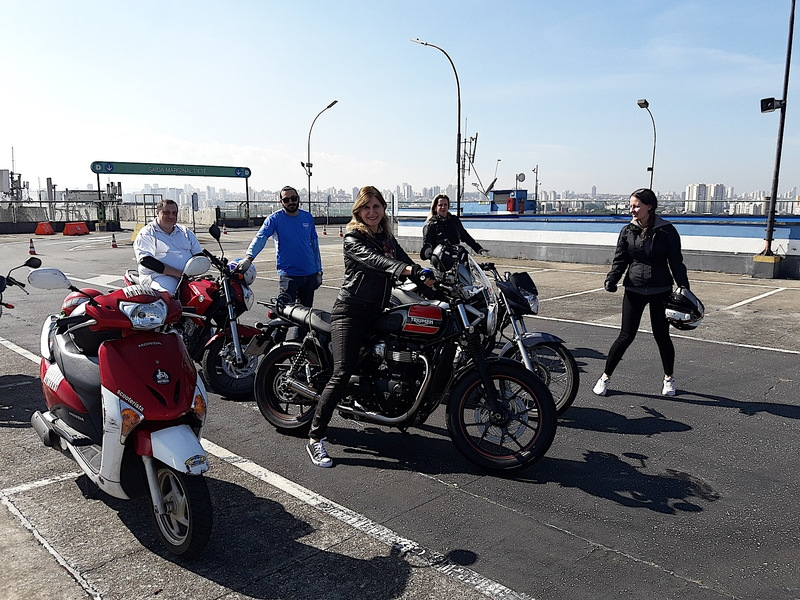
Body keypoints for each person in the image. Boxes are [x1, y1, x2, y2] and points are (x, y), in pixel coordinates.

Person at [306, 186, 433, 467]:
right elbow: (379, 262)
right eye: (367, 208)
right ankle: (316, 438)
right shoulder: (353, 237)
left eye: (377, 207)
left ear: (383, 209)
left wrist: (433, 282)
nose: (372, 212)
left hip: (378, 310)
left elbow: (405, 261)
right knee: (342, 372)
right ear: (358, 211)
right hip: (351, 312)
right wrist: (408, 270)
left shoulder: (386, 237)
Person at [593, 188, 691, 398]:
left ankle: (669, 379)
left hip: (661, 290)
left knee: (662, 336)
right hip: (634, 289)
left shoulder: (667, 231)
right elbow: (620, 259)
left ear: (649, 206)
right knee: (625, 336)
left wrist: (684, 288)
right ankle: (605, 377)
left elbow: (676, 262)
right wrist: (612, 278)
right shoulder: (628, 230)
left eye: (636, 206)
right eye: (631, 206)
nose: (632, 210)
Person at [238, 186, 322, 307]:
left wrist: (319, 271)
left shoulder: (307, 217)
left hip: (310, 274)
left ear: (298, 199)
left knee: (306, 317)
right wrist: (249, 258)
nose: (291, 202)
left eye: (293, 198)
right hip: (289, 275)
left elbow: (315, 245)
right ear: (281, 202)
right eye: (286, 200)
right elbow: (260, 238)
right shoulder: (274, 219)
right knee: (286, 316)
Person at [133, 199, 203, 295]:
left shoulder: (185, 232)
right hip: (158, 276)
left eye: (174, 213)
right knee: (168, 297)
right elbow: (146, 260)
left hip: (186, 277)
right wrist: (179, 273)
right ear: (157, 212)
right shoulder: (147, 233)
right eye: (166, 213)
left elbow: (199, 255)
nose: (171, 216)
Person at [420, 194, 487, 260]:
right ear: (435, 207)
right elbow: (427, 247)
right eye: (440, 205)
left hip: (457, 258)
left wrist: (478, 248)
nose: (443, 207)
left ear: (448, 206)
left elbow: (465, 236)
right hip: (440, 262)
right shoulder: (430, 225)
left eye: (445, 205)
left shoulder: (454, 221)